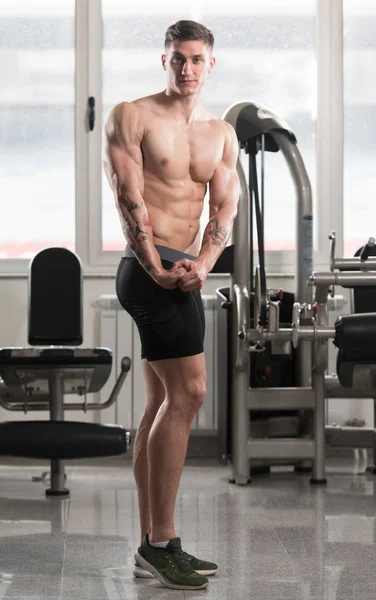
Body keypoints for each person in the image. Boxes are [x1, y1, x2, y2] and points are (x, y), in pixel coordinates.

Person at [103, 19, 239, 591]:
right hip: (146, 270)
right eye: (177, 58)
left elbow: (223, 212)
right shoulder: (131, 115)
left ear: (212, 64)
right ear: (164, 61)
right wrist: (160, 268)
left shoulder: (221, 134)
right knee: (192, 393)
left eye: (196, 59)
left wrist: (202, 268)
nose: (187, 68)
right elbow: (128, 196)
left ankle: (149, 545)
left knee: (161, 400)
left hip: (184, 271)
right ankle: (162, 544)